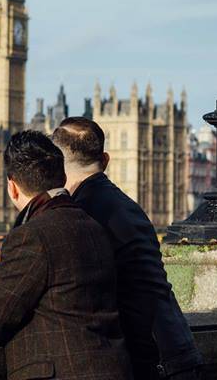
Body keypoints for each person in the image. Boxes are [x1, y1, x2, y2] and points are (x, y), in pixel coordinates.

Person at [0, 129, 132, 380]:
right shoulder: (93, 226)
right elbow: (62, 303)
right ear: (62, 176)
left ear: (12, 187)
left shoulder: (32, 235)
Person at [51, 117, 204, 380]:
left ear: (56, 168)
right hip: (179, 346)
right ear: (106, 160)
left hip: (148, 361)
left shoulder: (78, 214)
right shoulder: (129, 206)